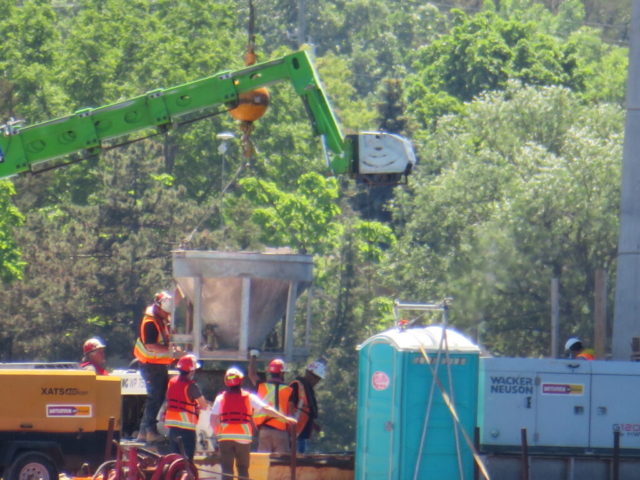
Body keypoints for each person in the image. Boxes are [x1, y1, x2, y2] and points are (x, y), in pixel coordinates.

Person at [211, 368, 296, 479]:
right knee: (242, 468)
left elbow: (213, 419)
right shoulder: (249, 397)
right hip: (243, 438)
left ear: (226, 382)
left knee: (227, 470)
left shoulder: (220, 398)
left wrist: (217, 434)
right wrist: (284, 417)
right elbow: (265, 408)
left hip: (225, 438)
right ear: (241, 381)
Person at [133, 291, 176, 443]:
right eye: (165, 312)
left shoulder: (160, 318)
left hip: (156, 365)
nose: (167, 315)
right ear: (158, 307)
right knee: (154, 398)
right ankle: (150, 432)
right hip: (151, 365)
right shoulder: (150, 322)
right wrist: (172, 351)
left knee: (156, 397)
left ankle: (144, 432)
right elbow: (151, 345)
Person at [248, 352, 295, 453]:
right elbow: (291, 415)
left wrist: (253, 356)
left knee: (263, 464)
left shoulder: (261, 386)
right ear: (282, 373)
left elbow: (252, 375)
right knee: (281, 465)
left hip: (264, 432)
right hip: (281, 433)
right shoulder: (289, 390)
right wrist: (292, 438)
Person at [165, 354, 208, 461]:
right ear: (191, 371)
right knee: (187, 464)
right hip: (187, 431)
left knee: (175, 463)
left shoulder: (171, 382)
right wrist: (196, 407)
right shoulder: (192, 386)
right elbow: (204, 406)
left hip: (172, 430)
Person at [289, 359, 325, 453]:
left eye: (318, 379)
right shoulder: (296, 386)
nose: (317, 381)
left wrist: (312, 424)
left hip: (302, 433)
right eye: (315, 377)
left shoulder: (307, 389)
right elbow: (290, 406)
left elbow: (305, 410)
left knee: (301, 461)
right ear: (308, 373)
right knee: (297, 462)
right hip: (295, 434)